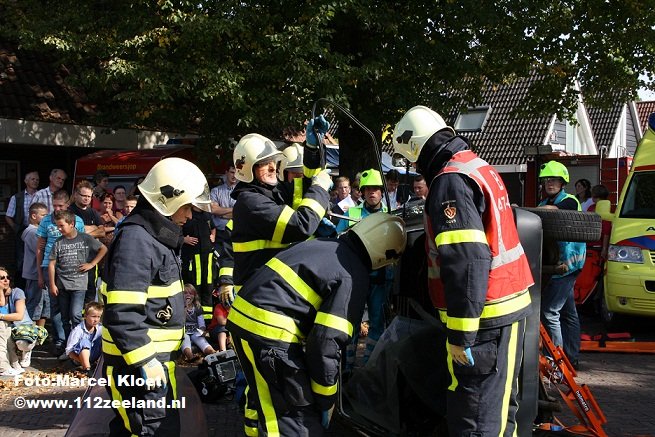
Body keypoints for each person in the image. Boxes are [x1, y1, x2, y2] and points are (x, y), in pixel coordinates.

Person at [393, 105, 534, 437]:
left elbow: (466, 261)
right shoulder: (478, 167)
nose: (415, 169)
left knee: (475, 419)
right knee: (499, 414)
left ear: (416, 146)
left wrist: (460, 335)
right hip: (505, 311)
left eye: (411, 160)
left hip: (482, 321)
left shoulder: (449, 182)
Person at [227, 213, 407, 436]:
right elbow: (325, 345)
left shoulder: (325, 244)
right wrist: (324, 399)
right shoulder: (353, 275)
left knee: (263, 396)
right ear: (384, 256)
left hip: (242, 320)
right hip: (270, 335)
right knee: (296, 418)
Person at [227, 125, 331, 435]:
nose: (274, 167)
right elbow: (302, 223)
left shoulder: (270, 194)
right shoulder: (251, 203)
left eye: (274, 161)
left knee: (260, 388)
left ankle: (251, 430)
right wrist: (323, 190)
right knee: (274, 400)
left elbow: (303, 184)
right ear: (247, 171)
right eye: (265, 163)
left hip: (271, 308)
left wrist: (314, 151)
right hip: (259, 315)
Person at [101, 157, 211, 436]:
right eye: (186, 206)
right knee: (150, 430)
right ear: (167, 202)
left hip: (152, 362)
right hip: (137, 365)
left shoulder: (154, 236)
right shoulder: (137, 240)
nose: (189, 215)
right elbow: (123, 311)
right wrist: (145, 361)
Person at [336, 169, 391, 366]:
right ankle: (347, 367)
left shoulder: (389, 214)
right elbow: (338, 241)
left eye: (376, 189)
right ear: (361, 192)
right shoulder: (352, 213)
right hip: (356, 277)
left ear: (381, 192)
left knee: (377, 322)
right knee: (351, 322)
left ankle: (370, 365)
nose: (372, 193)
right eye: (367, 189)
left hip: (380, 278)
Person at [538, 161, 586, 369]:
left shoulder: (570, 201)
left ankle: (557, 362)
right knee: (568, 313)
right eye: (546, 180)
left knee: (549, 311)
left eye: (554, 180)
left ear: (562, 182)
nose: (549, 183)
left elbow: (553, 210)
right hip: (556, 266)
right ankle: (572, 357)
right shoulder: (541, 205)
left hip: (567, 265)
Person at [36, 190, 85, 358]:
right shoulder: (45, 221)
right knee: (54, 306)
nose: (56, 209)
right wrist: (40, 274)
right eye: (54, 205)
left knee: (73, 309)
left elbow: (82, 242)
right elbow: (39, 248)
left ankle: (76, 339)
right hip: (49, 266)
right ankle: (60, 340)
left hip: (71, 268)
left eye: (60, 205)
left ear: (67, 205)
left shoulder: (77, 221)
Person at [48, 210, 107, 341]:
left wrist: (92, 264)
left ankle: (80, 342)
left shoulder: (84, 238)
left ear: (71, 224)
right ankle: (68, 344)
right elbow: (51, 264)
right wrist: (52, 284)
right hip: (62, 284)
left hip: (79, 284)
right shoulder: (58, 242)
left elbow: (103, 249)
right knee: (64, 317)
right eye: (57, 226)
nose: (59, 229)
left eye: (61, 225)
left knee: (75, 314)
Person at [68, 180, 106, 304]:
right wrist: (92, 228)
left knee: (90, 291)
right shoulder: (70, 212)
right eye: (84, 195)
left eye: (89, 196)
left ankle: (87, 320)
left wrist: (84, 231)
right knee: (74, 292)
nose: (86, 199)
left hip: (91, 259)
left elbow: (102, 232)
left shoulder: (93, 212)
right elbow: (71, 232)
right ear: (76, 195)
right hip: (72, 258)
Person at [5, 170, 40, 288]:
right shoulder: (17, 197)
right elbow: (8, 216)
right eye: (32, 179)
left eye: (37, 179)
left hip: (37, 230)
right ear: (26, 181)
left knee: (36, 256)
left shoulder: (41, 195)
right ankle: (21, 288)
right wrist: (16, 228)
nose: (35, 181)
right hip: (22, 231)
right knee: (21, 260)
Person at [181, 206, 216, 319]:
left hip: (207, 257)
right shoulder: (187, 214)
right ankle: (194, 317)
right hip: (193, 258)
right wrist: (184, 239)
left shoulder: (207, 214)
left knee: (208, 286)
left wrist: (213, 235)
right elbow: (176, 231)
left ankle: (207, 320)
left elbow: (213, 227)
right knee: (195, 287)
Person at [0, 266, 37, 375]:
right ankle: (14, 363)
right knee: (4, 333)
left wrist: (1, 316)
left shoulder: (17, 292)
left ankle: (27, 350)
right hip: (9, 328)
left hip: (23, 328)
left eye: (7, 277)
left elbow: (19, 316)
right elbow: (1, 304)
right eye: (2, 278)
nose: (6, 280)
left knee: (22, 343)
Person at [21, 202, 49, 326]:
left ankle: (40, 335)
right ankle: (29, 334)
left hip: (43, 275)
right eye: (43, 215)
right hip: (34, 275)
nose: (46, 218)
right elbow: (42, 251)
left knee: (44, 306)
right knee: (34, 305)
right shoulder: (32, 232)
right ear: (33, 216)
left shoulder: (40, 231)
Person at [65, 301, 103, 375]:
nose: (96, 320)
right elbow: (69, 351)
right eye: (93, 316)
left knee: (104, 340)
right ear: (85, 316)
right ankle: (87, 369)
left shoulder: (101, 328)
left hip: (94, 355)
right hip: (79, 358)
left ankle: (99, 366)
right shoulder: (78, 330)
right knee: (85, 342)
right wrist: (81, 360)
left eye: (98, 317)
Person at [181, 284, 215, 361]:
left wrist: (202, 330)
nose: (188, 295)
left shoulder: (197, 307)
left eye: (191, 293)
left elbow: (201, 322)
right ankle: (190, 356)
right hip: (184, 331)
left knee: (201, 339)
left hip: (195, 331)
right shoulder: (180, 307)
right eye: (185, 293)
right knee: (185, 339)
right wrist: (185, 307)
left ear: (194, 296)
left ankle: (211, 352)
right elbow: (180, 320)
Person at [210, 163, 237, 248]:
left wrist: (221, 213)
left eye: (236, 173)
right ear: (226, 173)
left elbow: (242, 212)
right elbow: (213, 210)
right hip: (219, 233)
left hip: (236, 232)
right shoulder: (216, 191)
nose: (234, 176)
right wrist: (234, 210)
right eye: (232, 172)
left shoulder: (242, 192)